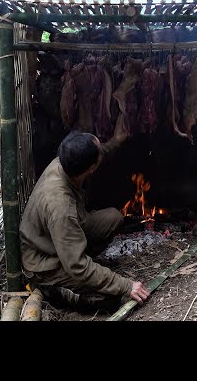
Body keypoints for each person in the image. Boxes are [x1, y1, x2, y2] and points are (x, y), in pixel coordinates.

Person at [19, 115, 150, 313]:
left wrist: (115, 141)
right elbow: (76, 266)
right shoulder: (61, 208)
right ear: (91, 169)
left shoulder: (64, 160)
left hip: (64, 234)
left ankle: (83, 261)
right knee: (110, 298)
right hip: (45, 261)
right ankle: (55, 291)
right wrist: (125, 285)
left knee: (113, 218)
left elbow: (97, 153)